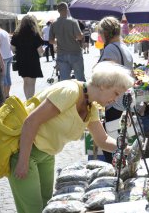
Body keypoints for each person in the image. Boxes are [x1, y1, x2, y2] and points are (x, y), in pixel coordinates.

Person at [8, 61, 135, 213]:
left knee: (47, 206)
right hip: (26, 152)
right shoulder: (70, 91)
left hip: (47, 155)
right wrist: (23, 161)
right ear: (103, 85)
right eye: (115, 93)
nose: (115, 100)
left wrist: (128, 149)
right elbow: (31, 122)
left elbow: (102, 140)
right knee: (32, 210)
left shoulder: (91, 106)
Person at [97, 16, 134, 163]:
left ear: (105, 33)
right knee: (121, 136)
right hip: (123, 99)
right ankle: (123, 166)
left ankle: (114, 170)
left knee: (111, 139)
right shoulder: (124, 48)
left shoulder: (111, 49)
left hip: (113, 100)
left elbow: (105, 74)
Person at [49, 2, 85, 81]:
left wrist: (58, 41)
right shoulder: (73, 22)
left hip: (61, 53)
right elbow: (79, 37)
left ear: (58, 11)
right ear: (67, 10)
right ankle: (82, 93)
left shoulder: (53, 24)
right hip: (75, 52)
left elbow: (51, 41)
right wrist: (81, 35)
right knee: (80, 78)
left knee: (64, 80)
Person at [11, 15, 44, 99]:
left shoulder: (16, 34)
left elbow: (12, 48)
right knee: (32, 82)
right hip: (33, 60)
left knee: (25, 81)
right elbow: (40, 51)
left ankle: (27, 99)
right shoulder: (35, 34)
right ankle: (30, 100)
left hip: (21, 60)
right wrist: (42, 53)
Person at [0, 24, 13, 98]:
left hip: (3, 57)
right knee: (8, 76)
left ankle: (5, 96)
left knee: (3, 77)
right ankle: (7, 95)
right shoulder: (4, 31)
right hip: (9, 55)